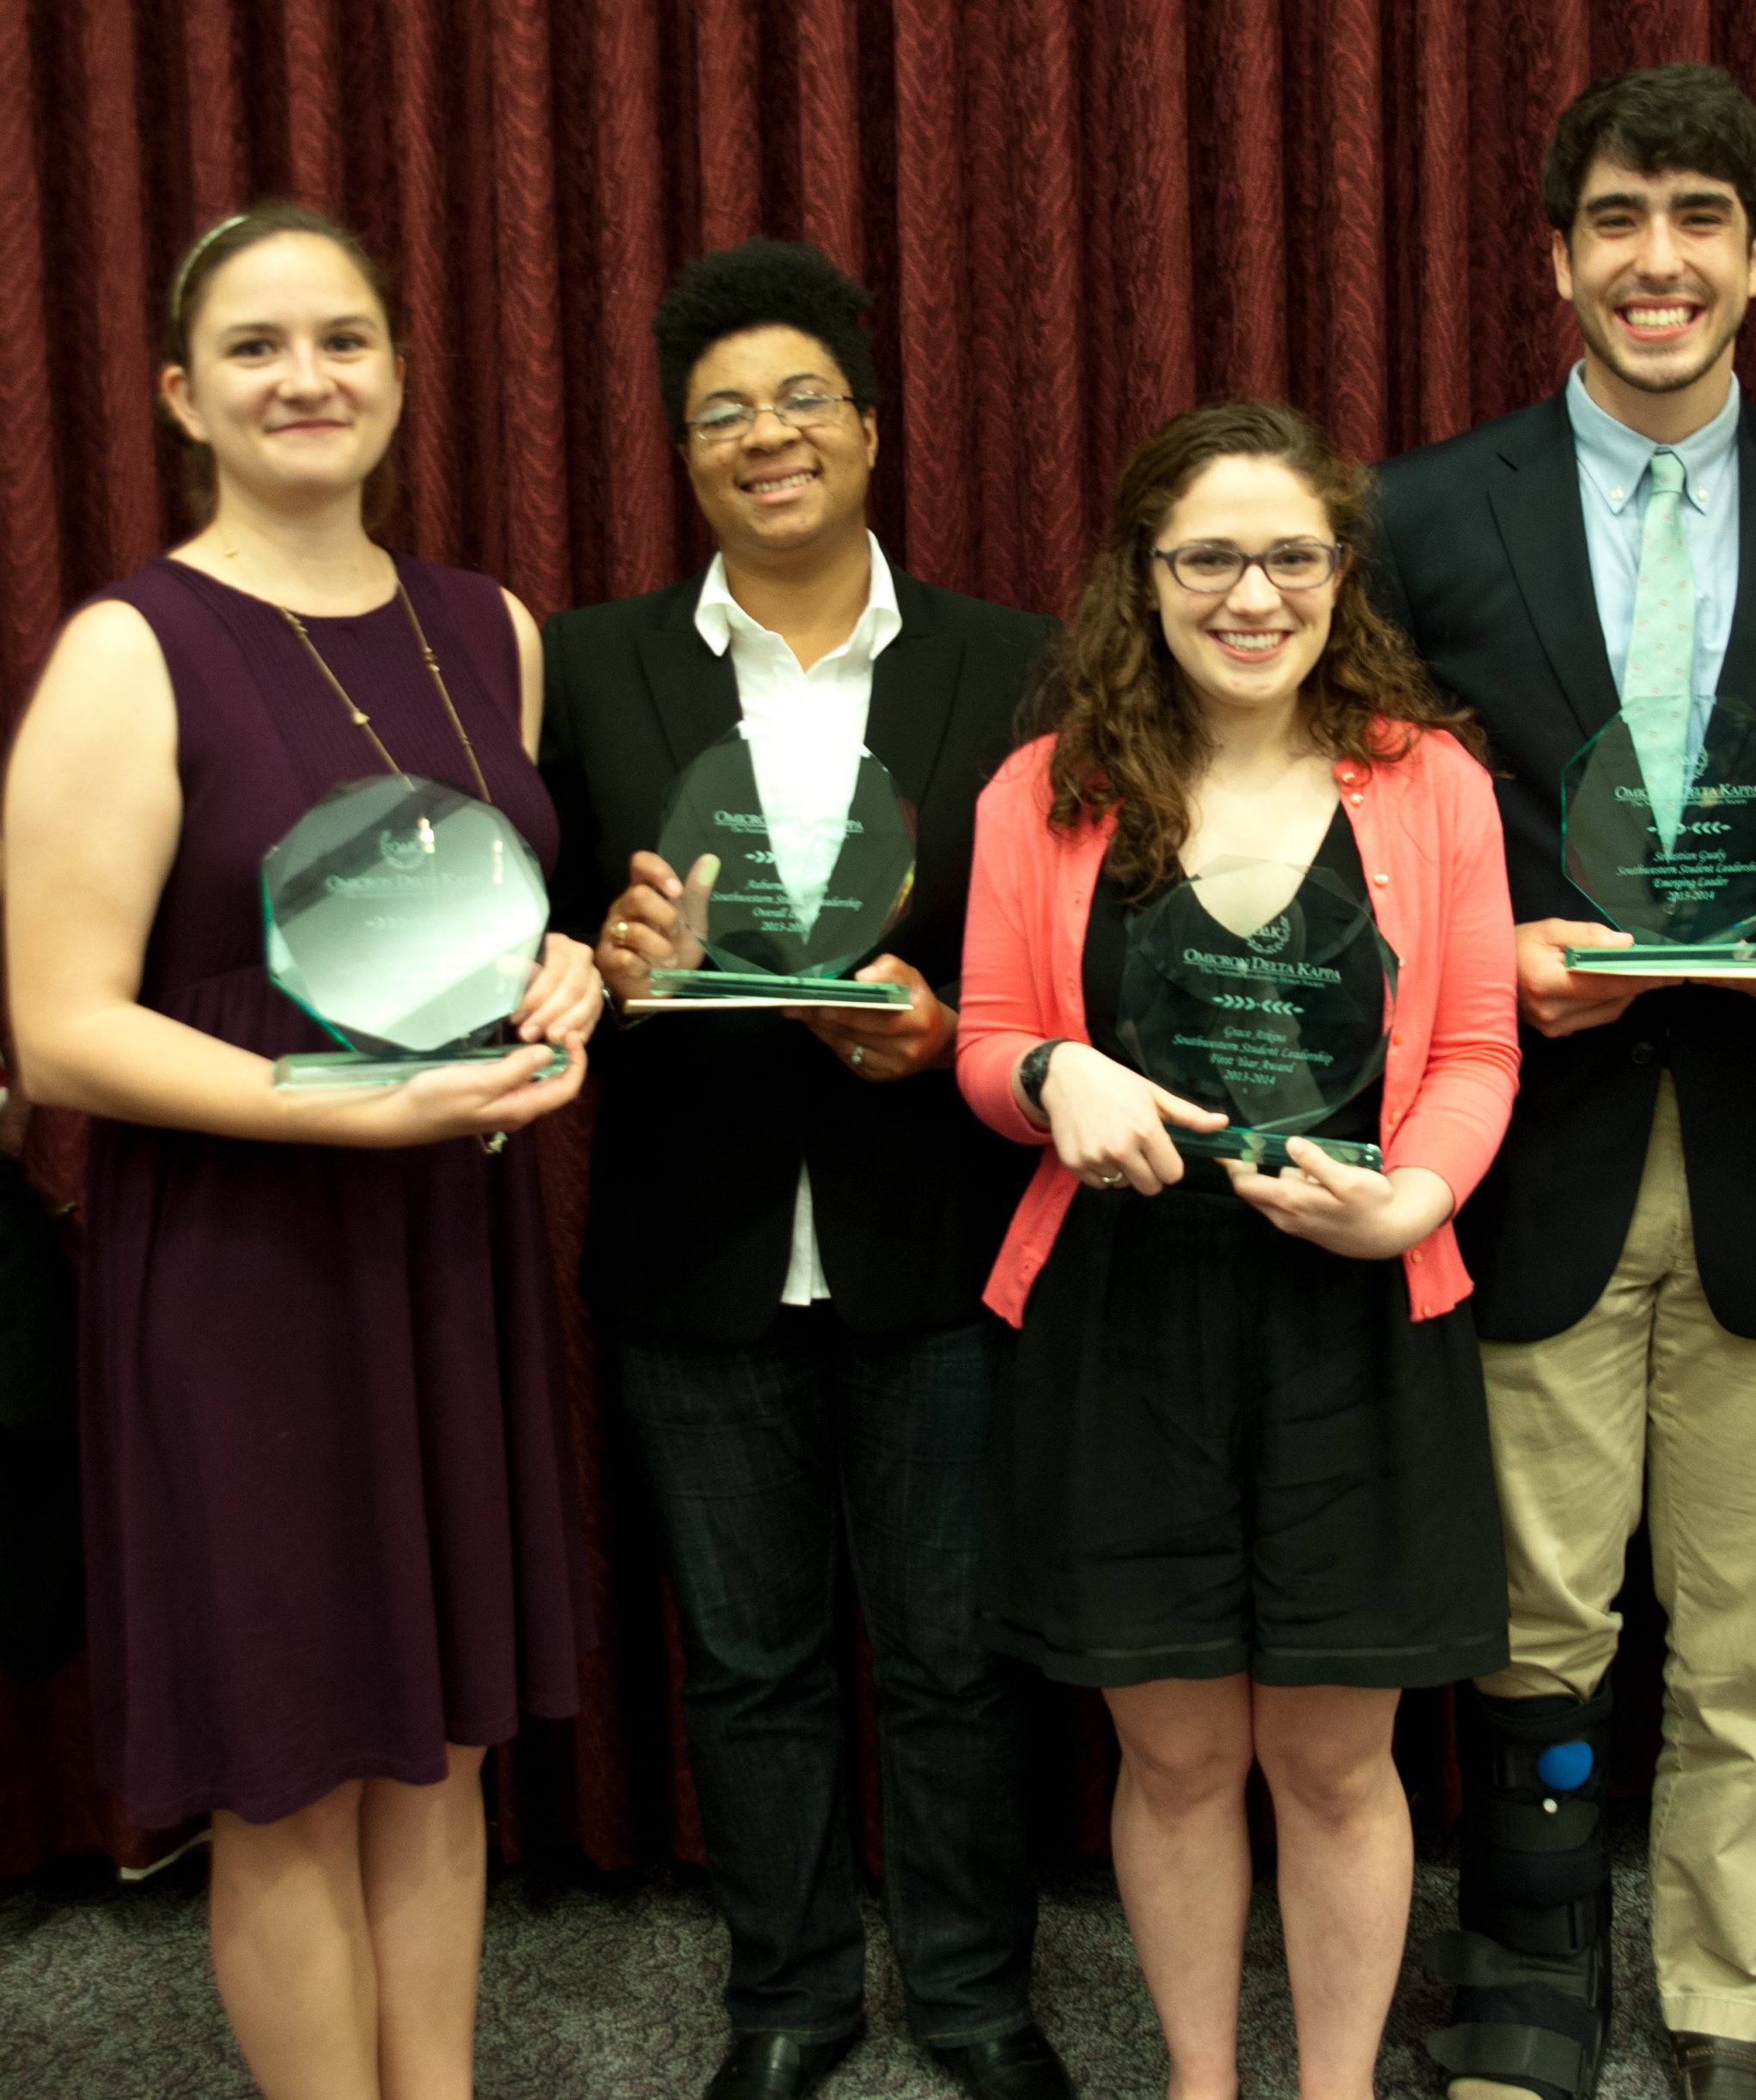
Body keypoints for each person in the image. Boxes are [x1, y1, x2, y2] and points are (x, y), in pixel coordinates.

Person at [1370, 63, 1756, 2100]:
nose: (1658, 259)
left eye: (1701, 218)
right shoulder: (1427, 512)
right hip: (1533, 1139)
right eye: (1618, 217)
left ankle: (1729, 1993)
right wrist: (1493, 962)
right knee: (1536, 1622)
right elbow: (1375, 822)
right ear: (1558, 255)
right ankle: (1531, 1983)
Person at [3, 202, 600, 2100]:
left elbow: (489, 910)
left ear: (400, 373)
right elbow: (59, 1026)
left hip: (443, 1243)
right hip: (243, 1267)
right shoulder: (130, 648)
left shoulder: (485, 626)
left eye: (342, 338)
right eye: (254, 348)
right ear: (182, 395)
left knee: (442, 1746)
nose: (306, 378)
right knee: (291, 1768)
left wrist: (566, 971)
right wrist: (335, 1103)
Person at [539, 240, 1071, 2100]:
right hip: (693, 1239)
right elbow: (538, 932)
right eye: (720, 414)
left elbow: (1074, 941)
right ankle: (785, 1996)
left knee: (953, 1655)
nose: (765, 436)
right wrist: (601, 957)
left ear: (868, 426)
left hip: (939, 1228)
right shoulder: (588, 665)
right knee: (749, 1658)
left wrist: (955, 1025)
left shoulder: (1013, 661)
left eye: (798, 400)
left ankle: (974, 1994)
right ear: (684, 452)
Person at [955, 399, 1521, 2100]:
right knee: (1181, 1758)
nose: (1252, 595)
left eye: (1291, 555)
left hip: (1359, 1310)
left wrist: (1416, 1201)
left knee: (1339, 1763)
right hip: (1124, 1312)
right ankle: (1202, 2083)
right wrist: (1050, 1078)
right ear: (1145, 573)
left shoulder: (1434, 784)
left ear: (1343, 571)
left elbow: (1479, 1050)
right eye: (1209, 557)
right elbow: (987, 1039)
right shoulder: (1043, 792)